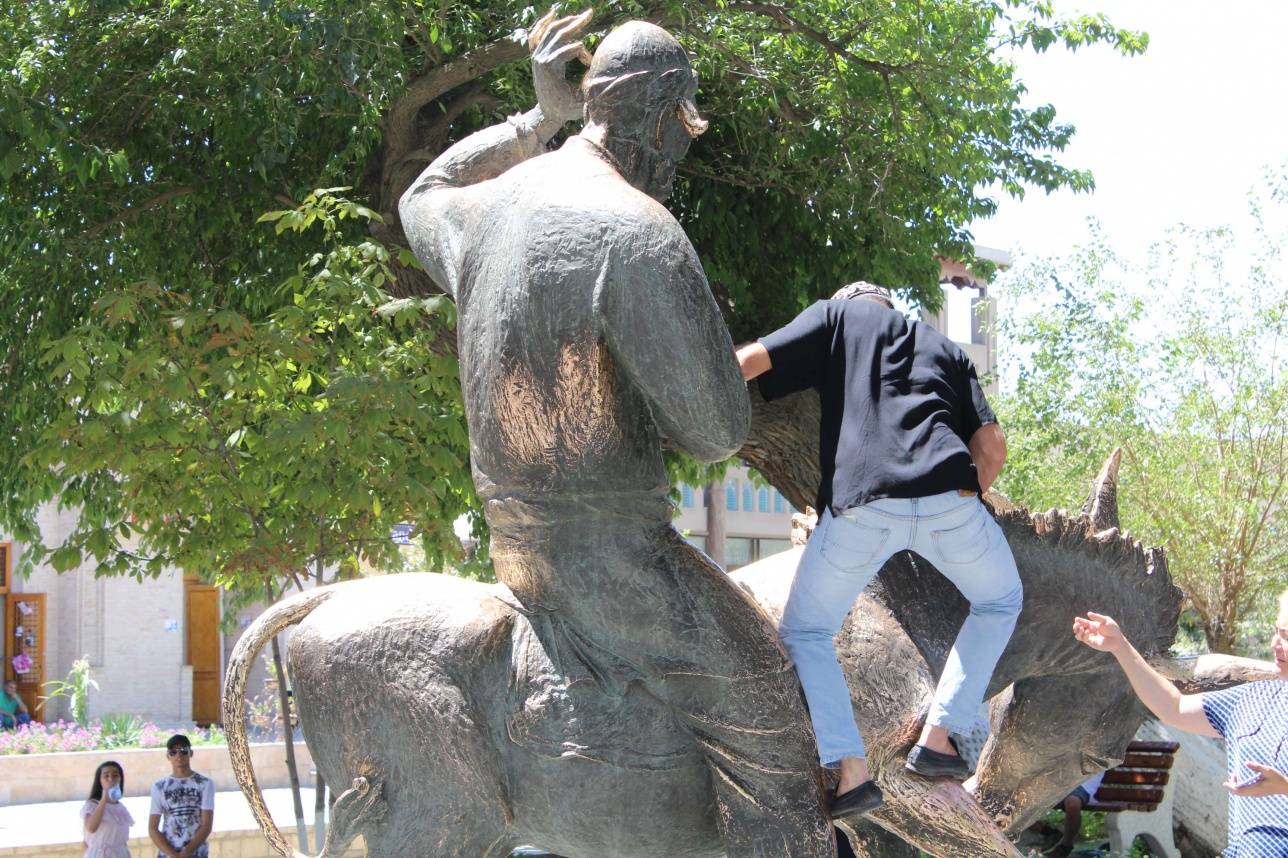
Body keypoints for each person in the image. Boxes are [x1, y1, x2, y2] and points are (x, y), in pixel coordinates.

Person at [398, 12, 834, 855]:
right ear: (665, 109)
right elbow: (715, 431)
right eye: (688, 124)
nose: (684, 148)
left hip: (515, 550)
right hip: (617, 564)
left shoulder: (487, 211)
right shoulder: (638, 232)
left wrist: (535, 120)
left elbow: (420, 195)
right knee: (775, 710)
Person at [737, 281, 1022, 819]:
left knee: (806, 630)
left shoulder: (836, 318)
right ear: (893, 308)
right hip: (951, 497)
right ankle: (940, 737)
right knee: (1000, 600)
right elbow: (992, 448)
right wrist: (960, 509)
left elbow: (750, 362)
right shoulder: (945, 347)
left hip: (864, 504)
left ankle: (852, 771)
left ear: (849, 305)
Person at [1073, 590, 1288, 856]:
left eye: (1287, 636)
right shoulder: (1253, 698)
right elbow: (1174, 707)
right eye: (1277, 631)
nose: (1276, 644)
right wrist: (1120, 647)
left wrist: (1285, 788)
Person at [148, 734, 214, 858]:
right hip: (168, 853)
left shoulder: (205, 784)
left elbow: (207, 825)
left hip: (197, 853)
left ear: (191, 753)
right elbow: (153, 828)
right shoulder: (159, 787)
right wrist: (173, 855)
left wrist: (186, 853)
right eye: (173, 752)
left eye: (183, 751)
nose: (178, 755)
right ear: (168, 756)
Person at [83, 760, 133, 858]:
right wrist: (103, 800)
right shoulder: (92, 805)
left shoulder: (120, 807)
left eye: (115, 775)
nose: (111, 779)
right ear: (99, 780)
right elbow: (90, 828)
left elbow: (121, 838)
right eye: (106, 776)